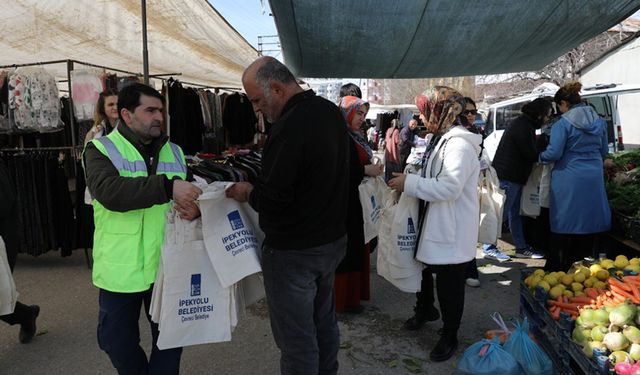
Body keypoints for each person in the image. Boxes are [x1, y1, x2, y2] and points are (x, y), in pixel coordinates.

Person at [225, 56, 350, 375]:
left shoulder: (289, 126)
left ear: (277, 88)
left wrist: (247, 192)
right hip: (330, 242)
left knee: (297, 340)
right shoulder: (330, 112)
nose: (255, 109)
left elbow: (274, 198)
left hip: (295, 251)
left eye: (256, 100)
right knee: (323, 324)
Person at [83, 82, 202, 374]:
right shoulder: (100, 149)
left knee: (170, 339)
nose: (159, 117)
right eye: (150, 110)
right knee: (114, 341)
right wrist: (168, 187)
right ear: (126, 114)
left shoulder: (174, 151)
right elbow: (110, 192)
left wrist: (196, 207)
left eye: (161, 110)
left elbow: (190, 194)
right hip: (121, 269)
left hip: (167, 265)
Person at [388, 94, 482, 362]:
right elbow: (435, 177)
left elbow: (449, 187)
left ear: (441, 112)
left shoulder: (459, 146)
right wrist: (412, 181)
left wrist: (410, 183)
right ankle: (426, 309)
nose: (423, 118)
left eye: (426, 111)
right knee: (425, 268)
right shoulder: (443, 139)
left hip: (450, 227)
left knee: (450, 284)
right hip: (435, 221)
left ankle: (449, 334)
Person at [540, 82, 611, 271]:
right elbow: (604, 150)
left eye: (559, 106)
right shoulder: (600, 122)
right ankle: (582, 265)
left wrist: (540, 157)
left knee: (564, 221)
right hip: (594, 176)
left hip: (568, 177)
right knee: (589, 220)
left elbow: (554, 153)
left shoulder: (562, 125)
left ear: (564, 103)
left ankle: (557, 267)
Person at [335, 96, 383, 314]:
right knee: (347, 250)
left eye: (364, 114)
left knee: (358, 247)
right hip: (345, 203)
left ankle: (353, 298)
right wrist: (365, 170)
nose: (362, 119)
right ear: (347, 112)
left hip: (359, 200)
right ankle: (341, 301)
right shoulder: (338, 136)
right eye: (358, 113)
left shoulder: (355, 135)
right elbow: (336, 170)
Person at [490, 98, 552, 260]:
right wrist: (544, 141)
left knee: (514, 214)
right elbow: (530, 153)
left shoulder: (524, 124)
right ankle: (488, 246)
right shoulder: (522, 126)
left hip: (514, 176)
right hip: (509, 176)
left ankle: (521, 247)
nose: (547, 119)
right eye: (547, 115)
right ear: (539, 114)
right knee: (502, 214)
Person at [0, 158, 40, 344]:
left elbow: (5, 202)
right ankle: (26, 314)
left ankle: (25, 315)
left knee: (2, 295)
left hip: (3, 234)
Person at [462, 97, 482, 287]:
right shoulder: (455, 135)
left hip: (472, 187)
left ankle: (470, 269)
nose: (470, 115)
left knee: (468, 229)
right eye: (466, 112)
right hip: (457, 188)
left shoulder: (477, 132)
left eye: (473, 112)